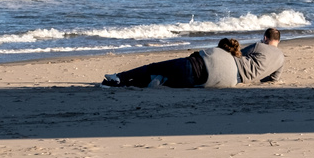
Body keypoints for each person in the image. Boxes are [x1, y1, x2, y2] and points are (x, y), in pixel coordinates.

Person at [103, 37, 241, 89]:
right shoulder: (233, 70)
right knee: (158, 80)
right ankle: (122, 85)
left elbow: (195, 55)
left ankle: (120, 77)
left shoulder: (217, 52)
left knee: (153, 68)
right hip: (192, 83)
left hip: (189, 66)